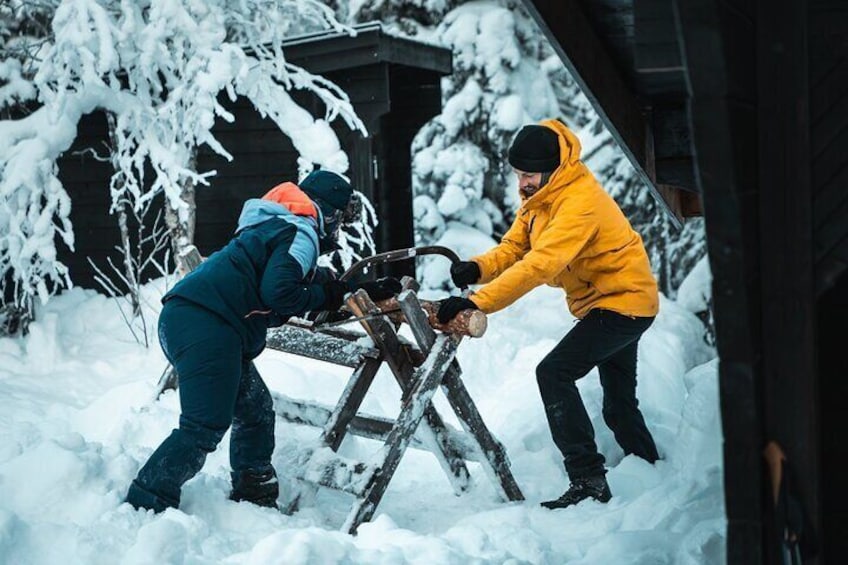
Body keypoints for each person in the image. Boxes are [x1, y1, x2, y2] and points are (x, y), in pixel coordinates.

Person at [126, 170, 400, 512]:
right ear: (328, 213)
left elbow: (287, 275)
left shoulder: (279, 223)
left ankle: (253, 496)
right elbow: (281, 292)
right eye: (340, 219)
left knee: (255, 411)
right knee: (203, 427)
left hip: (196, 320)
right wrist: (329, 296)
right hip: (206, 326)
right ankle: (145, 504)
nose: (338, 229)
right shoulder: (301, 230)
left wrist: (351, 290)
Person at [437, 119, 660, 509]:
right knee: (618, 403)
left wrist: (477, 302)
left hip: (624, 305)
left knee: (554, 372)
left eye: (528, 174)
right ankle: (653, 470)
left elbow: (539, 265)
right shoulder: (541, 199)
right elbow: (513, 248)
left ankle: (588, 478)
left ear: (552, 170)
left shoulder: (579, 203)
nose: (521, 183)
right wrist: (477, 268)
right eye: (518, 174)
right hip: (608, 304)